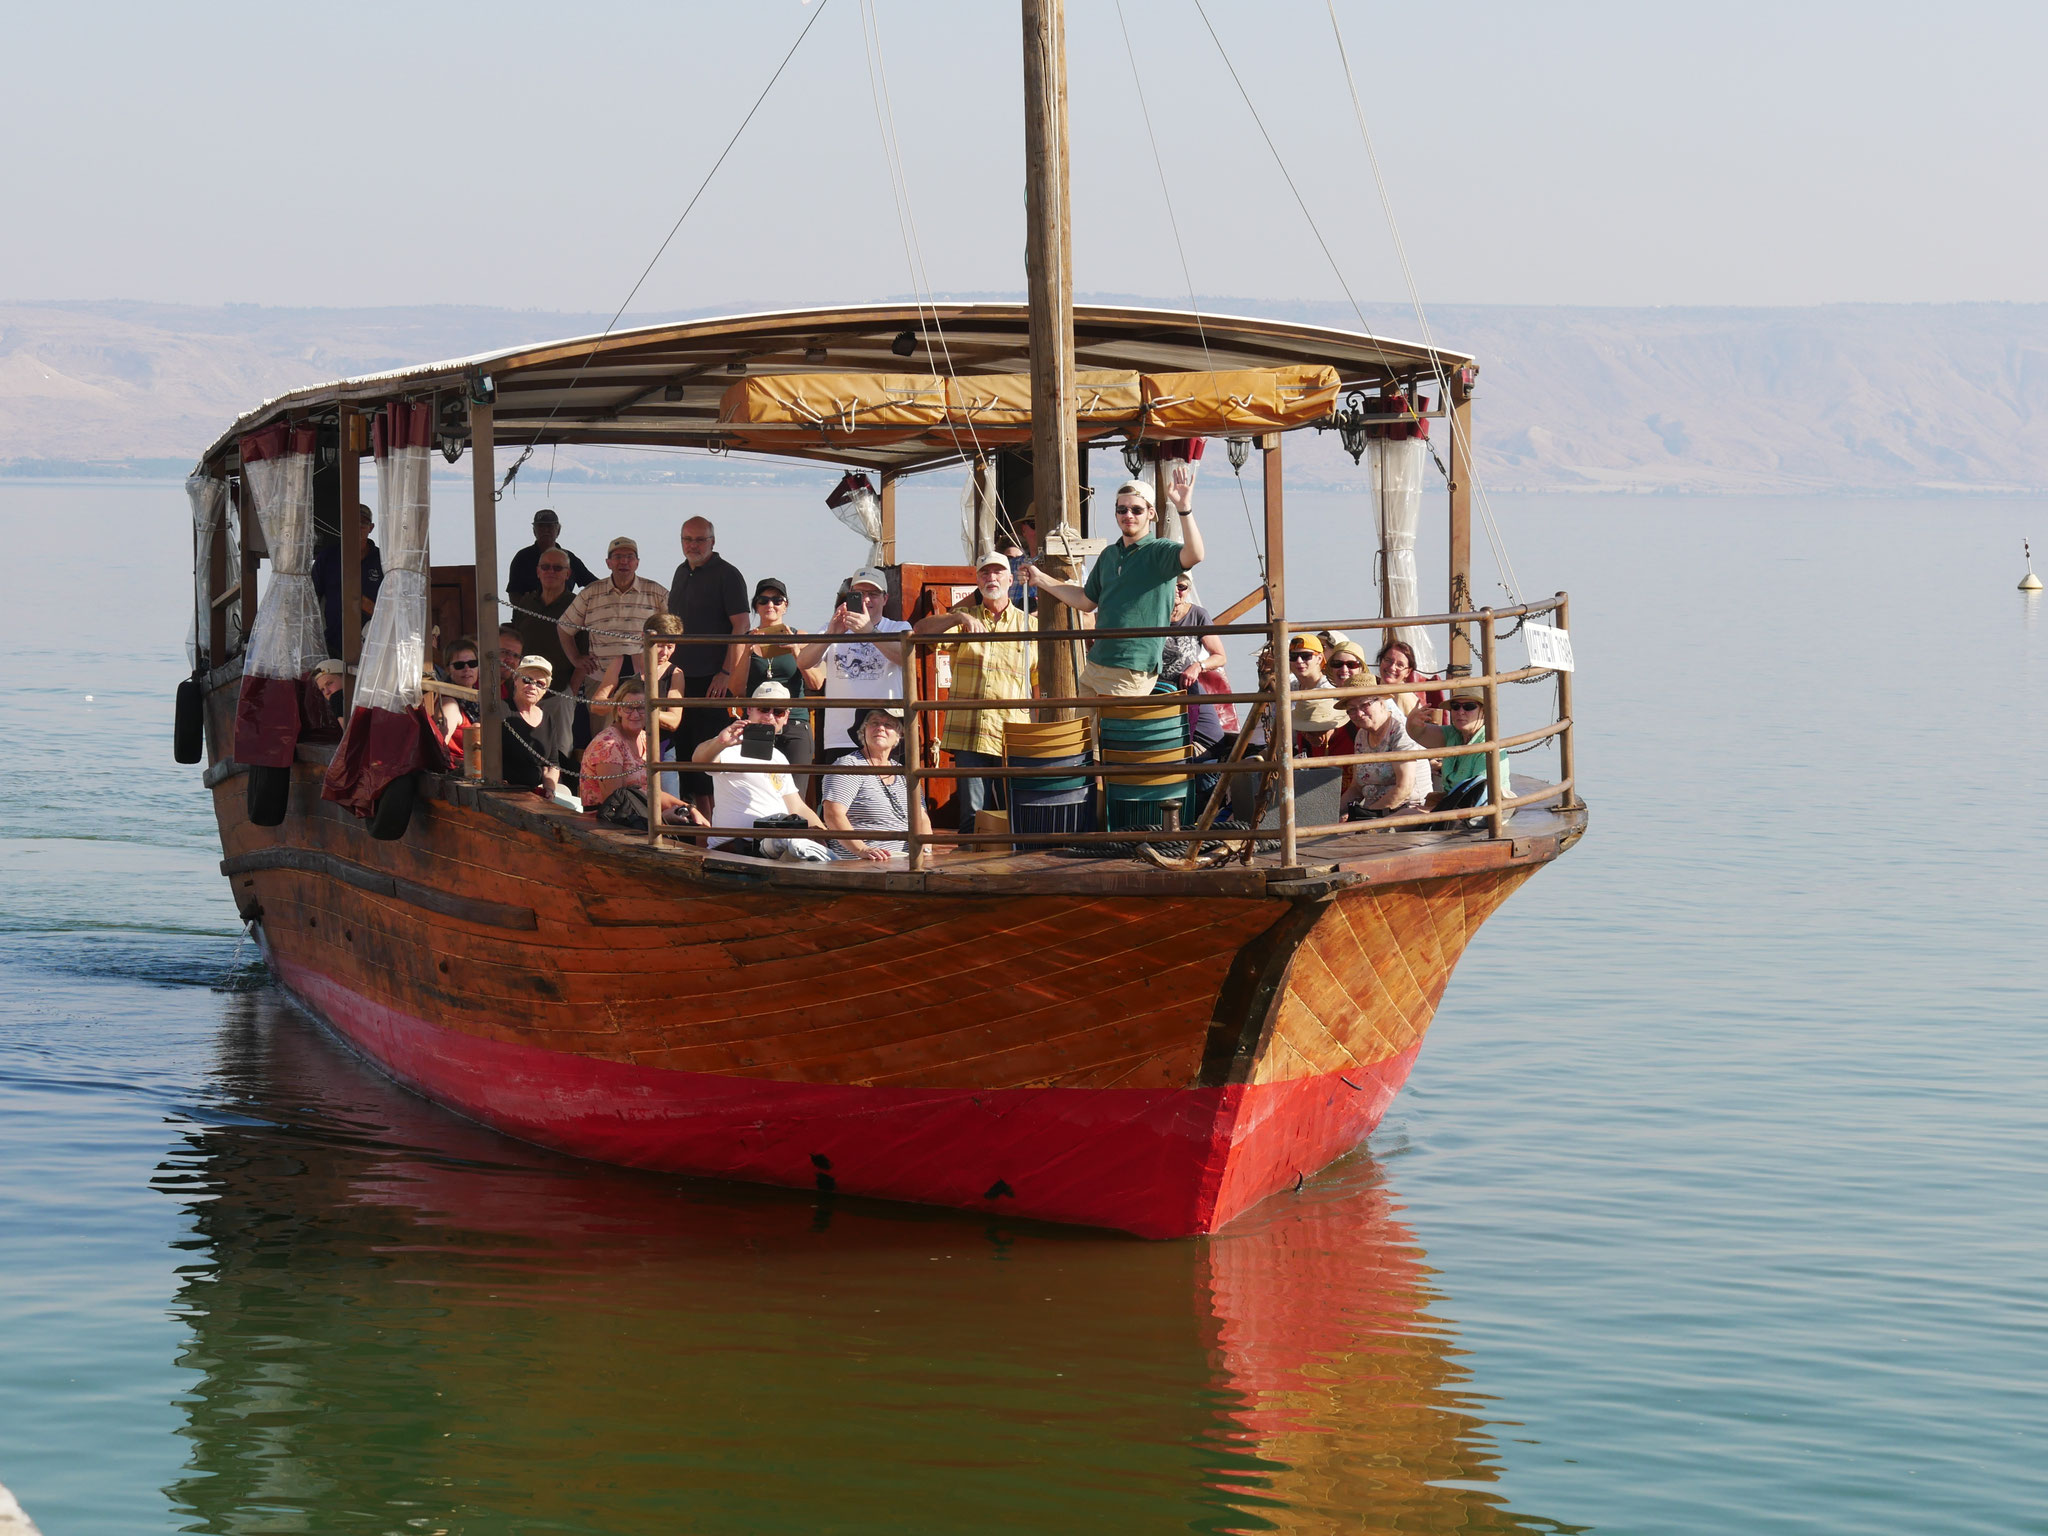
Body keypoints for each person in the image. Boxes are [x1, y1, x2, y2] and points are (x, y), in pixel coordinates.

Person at [1023, 468, 1203, 697]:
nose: (1128, 515)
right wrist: (1040, 579)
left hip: (1133, 667)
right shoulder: (1109, 554)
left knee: (1117, 732)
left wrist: (1184, 509)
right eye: (1122, 509)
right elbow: (1086, 601)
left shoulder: (1160, 551)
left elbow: (1195, 554)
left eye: (1136, 510)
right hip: (1097, 663)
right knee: (1086, 731)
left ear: (1150, 513)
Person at [913, 549, 1035, 832]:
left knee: (1017, 815)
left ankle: (1017, 871)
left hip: (1013, 732)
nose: (991, 577)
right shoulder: (963, 618)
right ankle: (969, 873)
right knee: (971, 817)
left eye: (997, 572)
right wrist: (958, 618)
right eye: (984, 573)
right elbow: (919, 630)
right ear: (977, 582)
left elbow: (1038, 684)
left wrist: (1035, 734)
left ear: (1009, 579)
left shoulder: (1030, 624)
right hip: (970, 732)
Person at [663, 515, 752, 794]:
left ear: (712, 541)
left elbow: (741, 624)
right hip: (680, 679)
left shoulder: (728, 574)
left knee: (709, 758)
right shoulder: (680, 572)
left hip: (712, 681)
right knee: (684, 754)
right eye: (688, 539)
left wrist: (726, 673)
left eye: (700, 539)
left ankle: (711, 830)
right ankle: (690, 825)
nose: (694, 545)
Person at [694, 681, 831, 859]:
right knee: (796, 848)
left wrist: (823, 836)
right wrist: (719, 743)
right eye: (764, 708)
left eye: (778, 711)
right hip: (736, 847)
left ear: (786, 717)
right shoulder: (730, 742)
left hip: (772, 845)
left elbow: (796, 806)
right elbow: (699, 759)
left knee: (818, 853)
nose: (770, 716)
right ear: (750, 709)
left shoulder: (779, 757)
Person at [795, 567, 910, 758]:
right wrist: (832, 634)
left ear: (885, 599)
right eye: (859, 594)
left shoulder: (898, 627)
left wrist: (870, 632)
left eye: (873, 594)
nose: (866, 600)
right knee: (840, 788)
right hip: (840, 736)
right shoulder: (833, 627)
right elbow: (803, 662)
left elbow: (905, 659)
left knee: (886, 787)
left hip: (885, 736)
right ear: (849, 597)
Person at [577, 678, 702, 826]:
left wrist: (688, 807)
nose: (635, 714)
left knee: (699, 824)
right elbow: (615, 804)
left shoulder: (645, 738)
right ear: (619, 710)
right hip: (605, 825)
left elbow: (649, 792)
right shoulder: (608, 744)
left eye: (641, 707)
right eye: (629, 707)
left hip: (638, 818)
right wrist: (662, 819)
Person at [557, 536, 668, 696]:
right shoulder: (590, 592)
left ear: (637, 562)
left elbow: (674, 631)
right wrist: (576, 658)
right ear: (608, 563)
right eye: (617, 557)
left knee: (640, 721)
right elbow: (564, 628)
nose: (624, 561)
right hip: (600, 681)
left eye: (629, 557)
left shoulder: (657, 593)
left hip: (644, 680)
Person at [821, 706, 930, 861]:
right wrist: (863, 850)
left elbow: (923, 819)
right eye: (874, 723)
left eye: (888, 725)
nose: (880, 728)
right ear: (863, 731)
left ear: (899, 735)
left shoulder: (904, 773)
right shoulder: (849, 765)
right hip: (861, 863)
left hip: (906, 861)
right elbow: (833, 814)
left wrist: (925, 852)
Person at [740, 576, 821, 767]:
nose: (770, 605)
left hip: (794, 721)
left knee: (794, 790)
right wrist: (746, 652)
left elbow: (816, 683)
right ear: (756, 606)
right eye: (764, 600)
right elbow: (736, 689)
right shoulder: (744, 640)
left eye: (777, 600)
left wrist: (795, 649)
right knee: (759, 791)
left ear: (785, 606)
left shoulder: (800, 636)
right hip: (758, 722)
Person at [1160, 573, 1228, 755]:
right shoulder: (1151, 614)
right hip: (1157, 688)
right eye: (1170, 585)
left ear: (1188, 591)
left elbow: (1220, 656)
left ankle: (1204, 777)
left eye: (1181, 587)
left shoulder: (1197, 614)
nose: (1176, 591)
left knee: (1214, 738)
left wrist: (1198, 666)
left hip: (1187, 685)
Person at [1337, 693, 1429, 821]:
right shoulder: (1362, 735)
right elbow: (1356, 787)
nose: (1359, 713)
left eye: (1364, 705)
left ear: (1381, 703)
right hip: (1372, 813)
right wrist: (1331, 813)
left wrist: (1362, 817)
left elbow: (1404, 789)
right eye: (1352, 709)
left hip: (1406, 812)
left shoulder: (1401, 731)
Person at [311, 503, 382, 659]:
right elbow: (310, 598)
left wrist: (371, 608)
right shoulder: (327, 557)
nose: (357, 527)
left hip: (375, 644)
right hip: (333, 643)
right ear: (343, 525)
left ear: (371, 527)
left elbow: (396, 603)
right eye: (352, 522)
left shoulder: (383, 560)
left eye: (362, 523)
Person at [1409, 687, 1496, 809]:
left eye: (1469, 706)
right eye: (1455, 706)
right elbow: (1420, 733)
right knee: (1407, 815)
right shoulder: (1454, 734)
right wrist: (1412, 721)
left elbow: (1478, 794)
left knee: (1408, 816)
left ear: (1484, 711)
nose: (1460, 711)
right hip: (1452, 804)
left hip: (1473, 813)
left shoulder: (1488, 745)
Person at [508, 545, 579, 685]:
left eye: (557, 568)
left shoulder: (577, 605)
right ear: (538, 572)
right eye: (545, 567)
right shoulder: (526, 602)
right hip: (524, 686)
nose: (550, 571)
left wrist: (572, 691)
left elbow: (585, 655)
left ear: (568, 574)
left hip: (560, 690)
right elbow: (516, 641)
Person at [502, 657, 564, 797]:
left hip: (534, 794)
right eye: (527, 680)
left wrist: (549, 789)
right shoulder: (502, 709)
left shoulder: (548, 718)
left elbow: (552, 763)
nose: (532, 687)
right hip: (504, 792)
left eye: (540, 683)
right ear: (516, 680)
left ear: (545, 689)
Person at [506, 509, 597, 598]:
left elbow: (594, 585)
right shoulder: (522, 558)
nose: (545, 530)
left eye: (550, 526)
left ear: (558, 530)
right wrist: (530, 608)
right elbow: (514, 594)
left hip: (565, 612)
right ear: (534, 531)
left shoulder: (570, 558)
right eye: (541, 526)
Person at [1288, 634, 1348, 757]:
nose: (1299, 661)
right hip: (1302, 749)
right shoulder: (1291, 685)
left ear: (1320, 658)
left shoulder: (1329, 690)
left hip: (1329, 753)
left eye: (1306, 656)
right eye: (1293, 656)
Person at [1376, 638, 1444, 734]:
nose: (1392, 667)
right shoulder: (1375, 689)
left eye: (1400, 665)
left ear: (1408, 672)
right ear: (1380, 661)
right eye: (1388, 660)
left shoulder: (1403, 696)